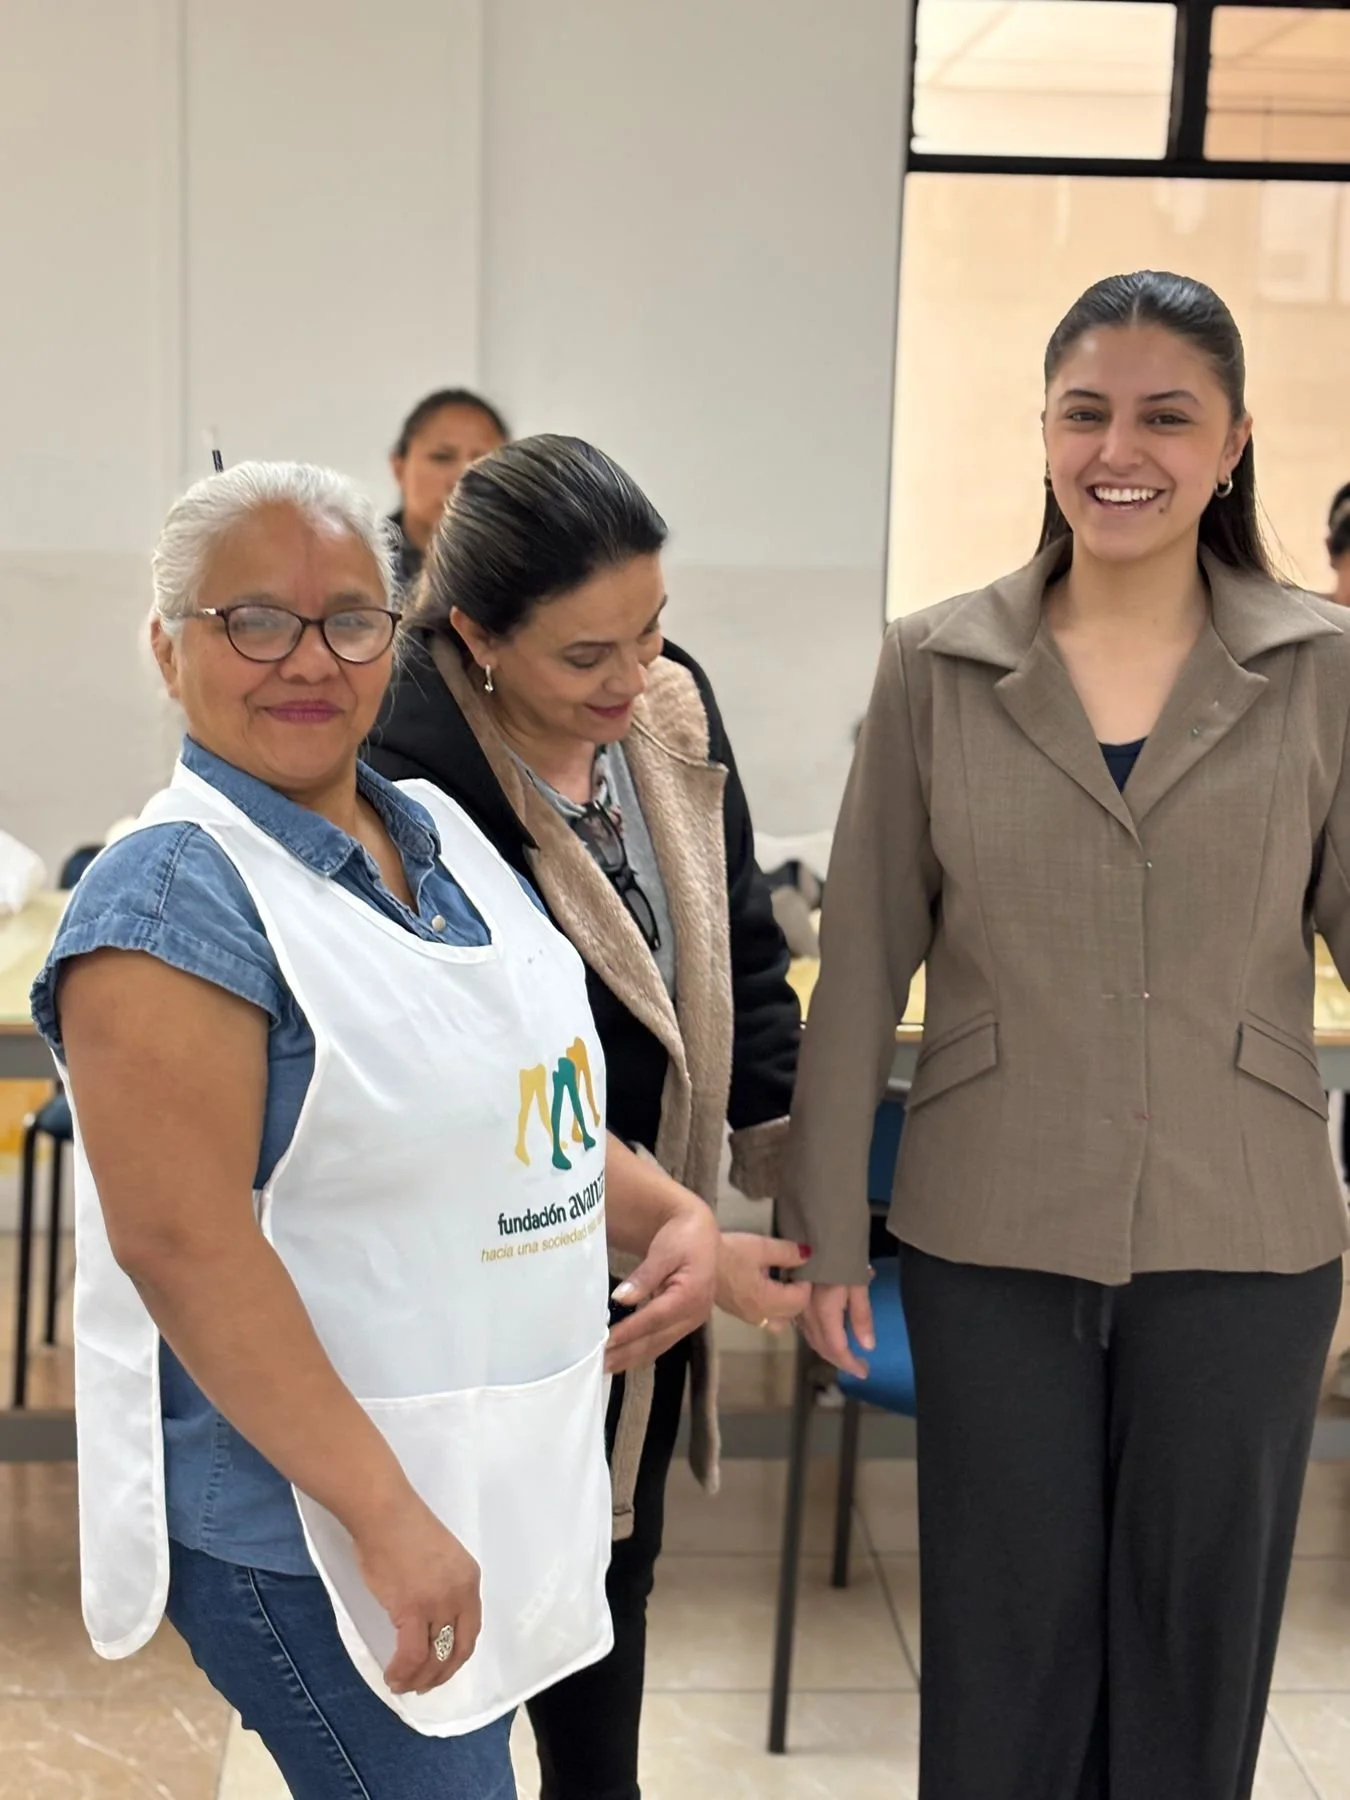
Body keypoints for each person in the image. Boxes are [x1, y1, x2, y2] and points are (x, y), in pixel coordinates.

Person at [30, 461, 719, 1800]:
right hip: (311, 1528)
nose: (308, 659)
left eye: (349, 618)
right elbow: (185, 1250)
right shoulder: (174, 900)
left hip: (475, 1479)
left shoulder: (437, 833)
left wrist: (667, 1213)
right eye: (252, 620)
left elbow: (508, 1107)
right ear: (167, 644)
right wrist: (388, 1518)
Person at [780, 270, 1350, 1800]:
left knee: (1196, 1646)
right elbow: (861, 969)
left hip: (1245, 1234)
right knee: (1006, 1646)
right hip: (989, 1226)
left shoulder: (1320, 670)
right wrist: (835, 1228)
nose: (1123, 448)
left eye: (1168, 416)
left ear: (1232, 443)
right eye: (1086, 412)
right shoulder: (935, 663)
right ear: (1042, 433)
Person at [366, 434, 808, 1800]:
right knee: (462, 1677)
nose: (632, 679)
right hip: (482, 1296)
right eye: (584, 656)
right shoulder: (409, 768)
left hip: (642, 1304)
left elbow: (737, 956)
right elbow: (467, 1078)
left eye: (652, 629)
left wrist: (793, 1179)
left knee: (605, 1627)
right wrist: (685, 1234)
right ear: (476, 635)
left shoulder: (669, 712)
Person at [388, 388, 510, 592]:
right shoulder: (365, 559)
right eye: (442, 457)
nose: (463, 477)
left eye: (483, 460)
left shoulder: (529, 565)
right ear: (399, 469)